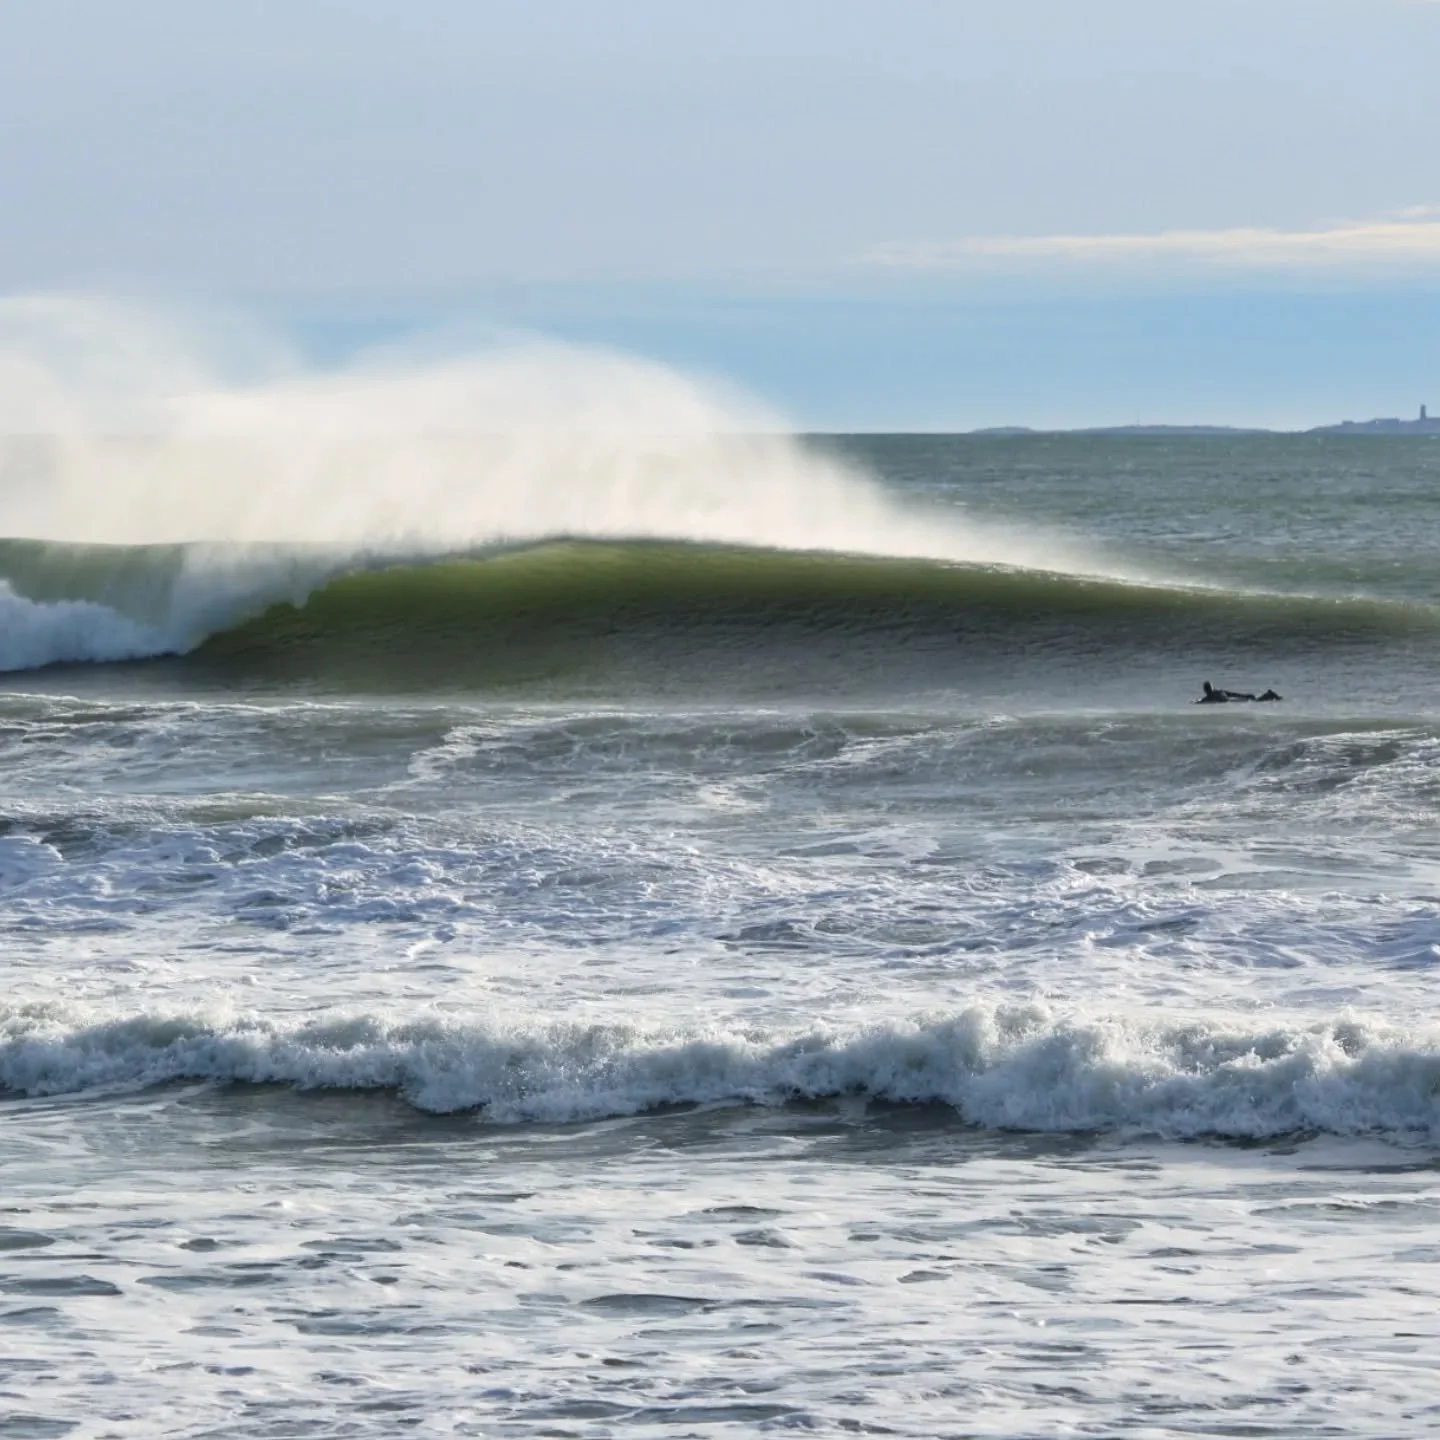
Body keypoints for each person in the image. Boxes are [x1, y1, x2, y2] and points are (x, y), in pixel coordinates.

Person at [1196, 681, 1282, 704]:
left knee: (1256, 701)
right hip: (1234, 701)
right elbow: (1233, 694)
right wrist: (1244, 696)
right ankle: (1269, 695)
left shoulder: (1211, 696)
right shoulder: (1219, 692)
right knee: (1255, 700)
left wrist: (1244, 696)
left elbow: (1201, 701)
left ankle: (1269, 695)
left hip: (1233, 702)